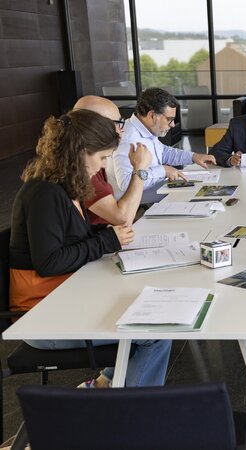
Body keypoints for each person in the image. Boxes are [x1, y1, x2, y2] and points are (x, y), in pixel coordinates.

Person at [9, 109, 171, 387]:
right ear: (79, 152)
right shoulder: (44, 193)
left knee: (144, 309)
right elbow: (49, 262)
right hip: (41, 315)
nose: (103, 166)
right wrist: (107, 240)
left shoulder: (63, 185)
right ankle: (133, 408)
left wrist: (105, 235)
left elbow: (70, 239)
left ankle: (106, 385)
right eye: (102, 157)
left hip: (63, 299)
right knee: (155, 333)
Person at [106, 87, 216, 202]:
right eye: (169, 119)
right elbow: (125, 183)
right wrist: (163, 171)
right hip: (137, 203)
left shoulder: (144, 129)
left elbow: (163, 152)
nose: (172, 124)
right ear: (152, 116)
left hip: (155, 191)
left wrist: (194, 157)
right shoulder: (128, 139)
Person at [73, 95, 152, 225]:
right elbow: (123, 218)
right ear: (94, 127)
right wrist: (140, 169)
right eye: (118, 123)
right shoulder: (85, 166)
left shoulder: (92, 157)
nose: (122, 129)